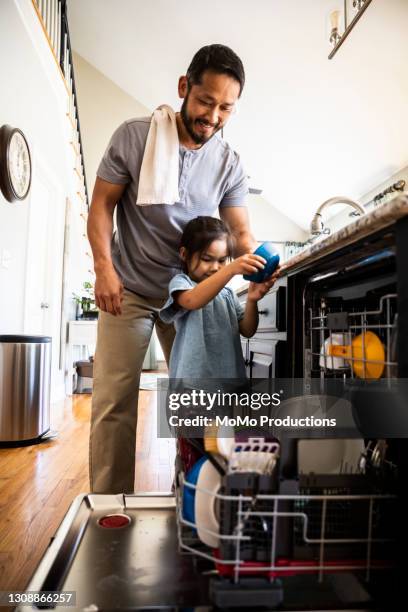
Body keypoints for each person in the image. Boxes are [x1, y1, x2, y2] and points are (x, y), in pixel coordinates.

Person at [88, 44, 277, 494]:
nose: (212, 115)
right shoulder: (135, 137)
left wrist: (257, 265)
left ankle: (190, 488)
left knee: (198, 400)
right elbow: (101, 207)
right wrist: (104, 269)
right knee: (115, 402)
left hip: (190, 296)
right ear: (183, 89)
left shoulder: (229, 163)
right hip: (129, 288)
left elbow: (241, 231)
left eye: (225, 107)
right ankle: (110, 504)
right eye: (205, 101)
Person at [160, 216, 277, 378]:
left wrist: (252, 300)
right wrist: (229, 270)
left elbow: (247, 330)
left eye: (222, 260)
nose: (215, 268)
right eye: (207, 259)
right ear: (184, 254)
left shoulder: (227, 294)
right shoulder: (182, 283)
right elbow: (192, 301)